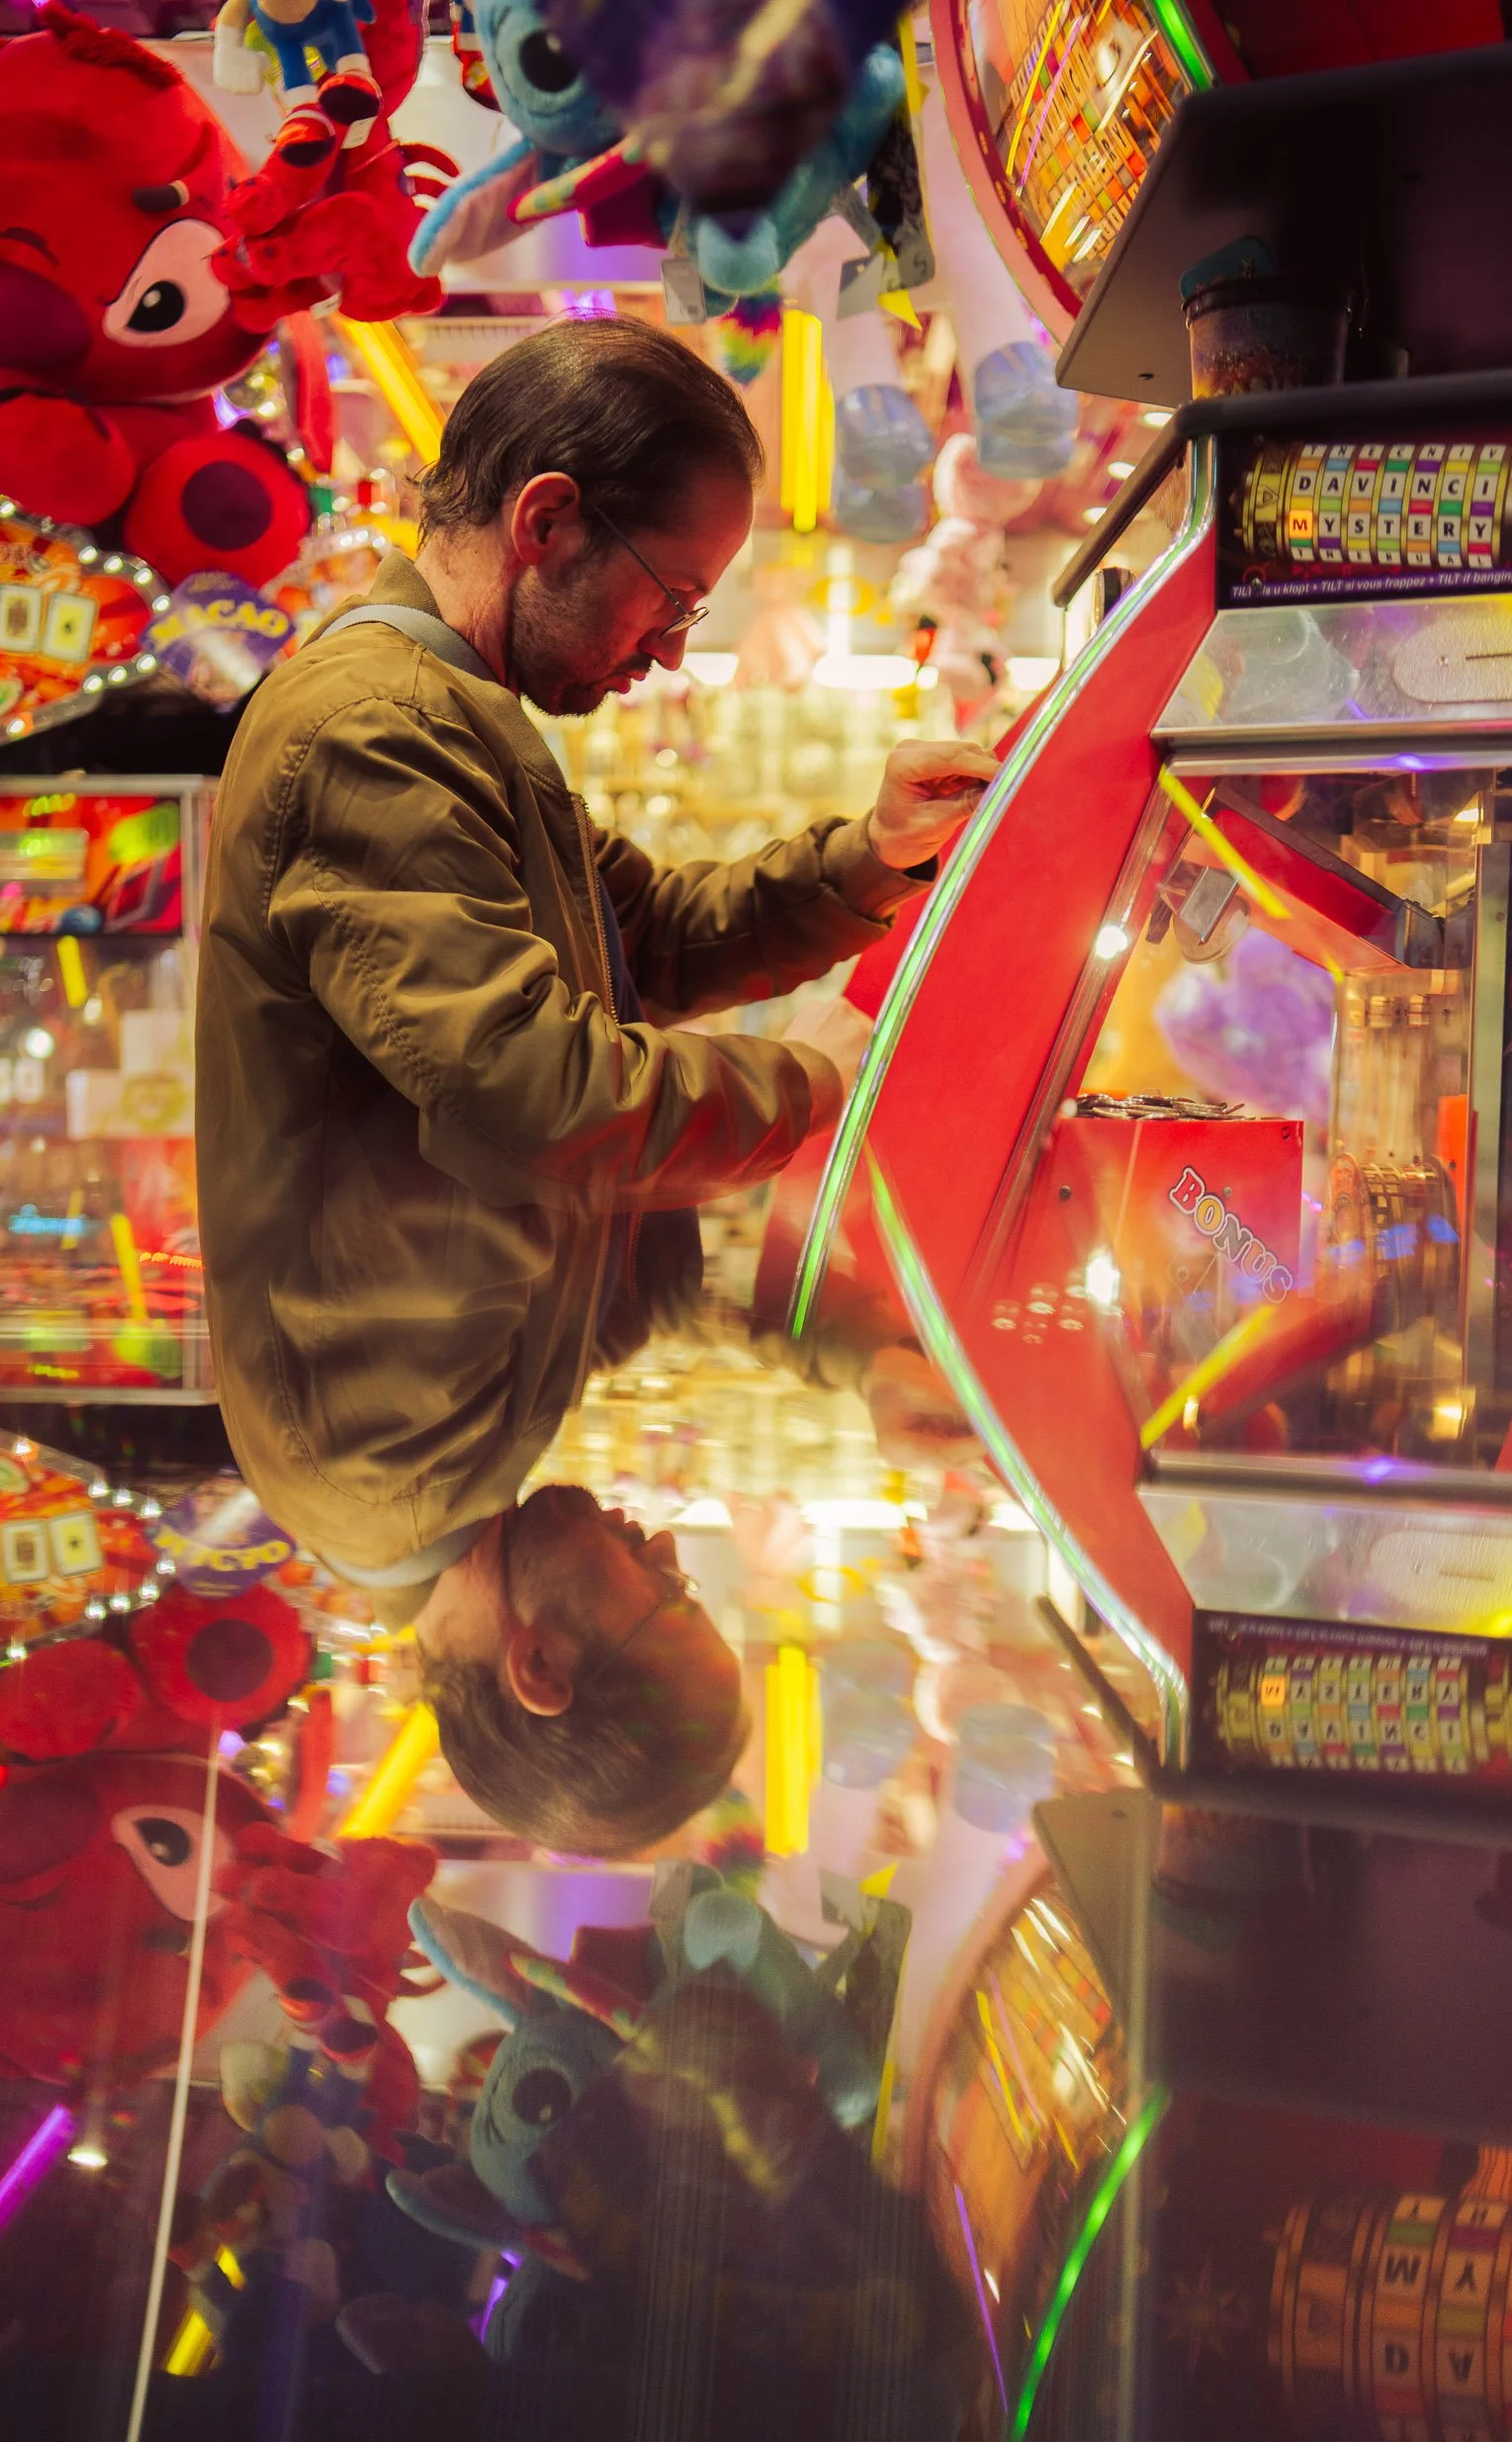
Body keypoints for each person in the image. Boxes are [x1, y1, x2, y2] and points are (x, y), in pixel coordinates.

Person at [197, 315, 997, 1854]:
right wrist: (826, 1105)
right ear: (547, 520)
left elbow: (648, 947)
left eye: (689, 608)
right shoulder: (377, 731)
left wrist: (870, 858)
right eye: (671, 596)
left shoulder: (438, 718)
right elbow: (535, 1095)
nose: (675, 646)